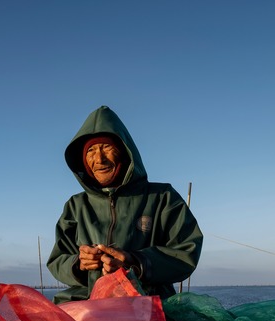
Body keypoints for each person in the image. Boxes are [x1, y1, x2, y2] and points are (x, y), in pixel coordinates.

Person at [47, 105, 203, 303]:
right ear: (83, 160)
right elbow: (57, 259)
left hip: (145, 304)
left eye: (106, 147)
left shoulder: (162, 197)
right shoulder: (76, 206)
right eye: (91, 150)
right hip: (85, 304)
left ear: (124, 151)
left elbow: (186, 251)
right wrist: (79, 264)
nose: (99, 159)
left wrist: (135, 262)